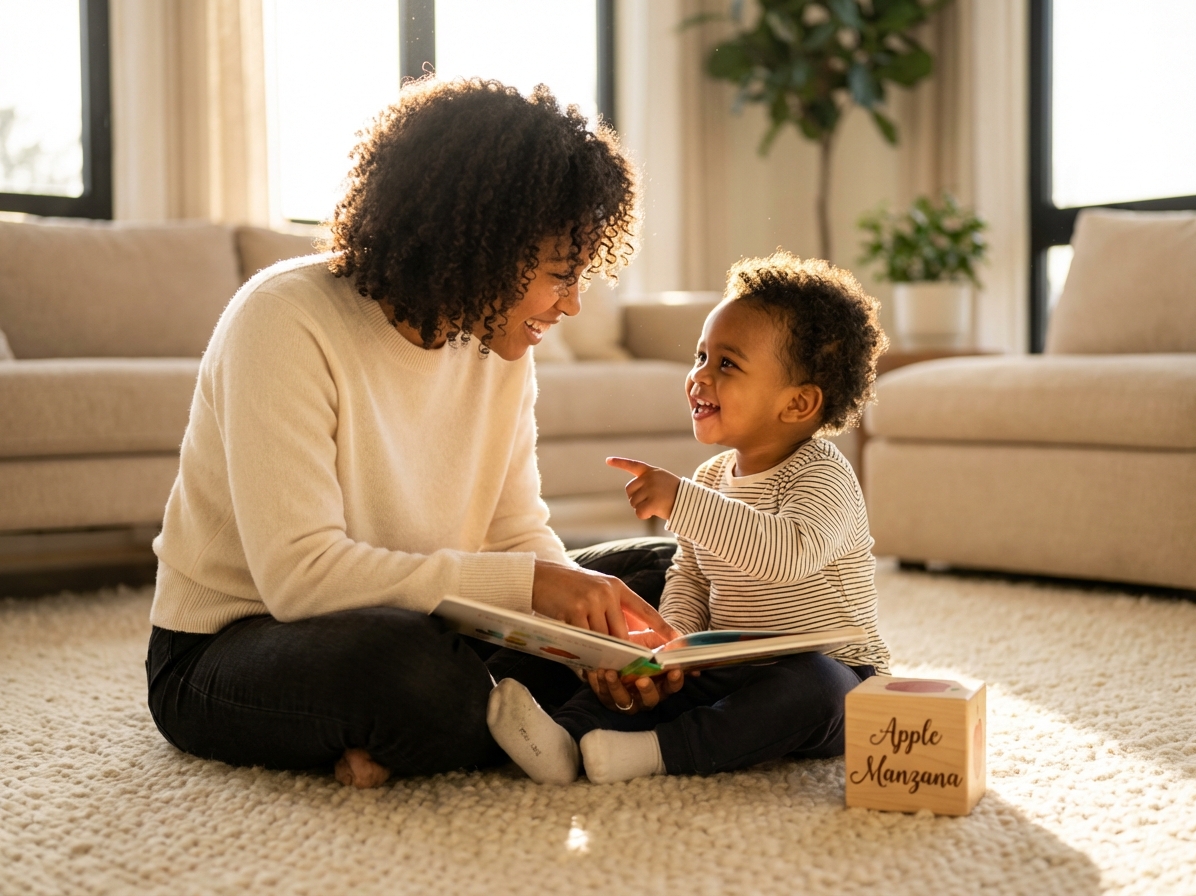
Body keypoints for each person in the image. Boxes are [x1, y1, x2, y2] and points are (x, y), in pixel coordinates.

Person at [144, 78, 679, 789]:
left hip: (434, 620)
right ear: (481, 244)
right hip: (234, 644)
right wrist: (535, 590)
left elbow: (517, 534)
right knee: (406, 671)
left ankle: (456, 733)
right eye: (559, 276)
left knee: (663, 575)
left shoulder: (498, 347)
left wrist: (585, 630)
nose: (574, 305)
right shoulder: (282, 319)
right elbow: (300, 580)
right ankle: (516, 723)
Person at [486, 252, 893, 784]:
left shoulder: (823, 476)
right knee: (646, 673)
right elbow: (691, 577)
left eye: (727, 364)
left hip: (835, 670)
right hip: (729, 664)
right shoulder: (710, 476)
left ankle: (659, 753)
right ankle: (563, 737)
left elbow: (784, 555)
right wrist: (672, 641)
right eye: (701, 356)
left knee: (815, 689)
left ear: (798, 404)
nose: (699, 376)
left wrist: (681, 501)